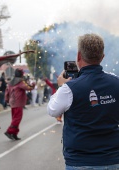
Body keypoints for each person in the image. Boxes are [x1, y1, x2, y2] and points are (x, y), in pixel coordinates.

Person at [47, 33, 119, 170]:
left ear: (79, 56)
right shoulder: (116, 82)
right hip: (113, 160)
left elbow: (52, 110)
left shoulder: (69, 88)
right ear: (102, 57)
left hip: (80, 162)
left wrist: (61, 86)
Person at [5, 68, 35, 140]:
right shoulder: (20, 82)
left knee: (14, 118)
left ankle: (14, 134)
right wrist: (33, 84)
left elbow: (7, 92)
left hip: (12, 102)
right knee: (17, 118)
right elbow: (28, 88)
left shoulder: (11, 82)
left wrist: (7, 100)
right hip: (18, 102)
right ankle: (9, 131)